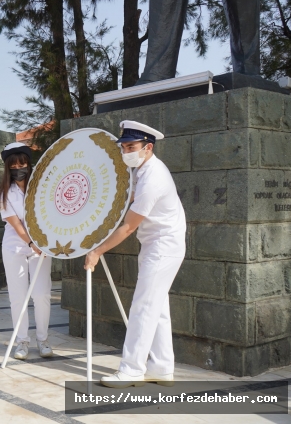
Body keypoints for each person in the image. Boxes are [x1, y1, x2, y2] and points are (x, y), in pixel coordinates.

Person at [84, 121, 186, 389]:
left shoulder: (153, 178)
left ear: (147, 147)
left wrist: (97, 251)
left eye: (131, 147)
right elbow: (126, 200)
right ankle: (162, 368)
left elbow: (128, 227)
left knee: (143, 307)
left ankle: (131, 370)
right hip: (156, 244)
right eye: (124, 147)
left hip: (163, 247)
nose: (125, 151)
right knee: (157, 308)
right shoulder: (142, 169)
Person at [0, 142, 54, 360]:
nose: (19, 168)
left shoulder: (41, 187)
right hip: (15, 247)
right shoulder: (4, 194)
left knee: (41, 294)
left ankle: (43, 339)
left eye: (22, 164)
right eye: (14, 166)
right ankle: (22, 342)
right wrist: (31, 244)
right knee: (18, 297)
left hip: (42, 247)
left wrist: (46, 243)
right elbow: (16, 224)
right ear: (8, 168)